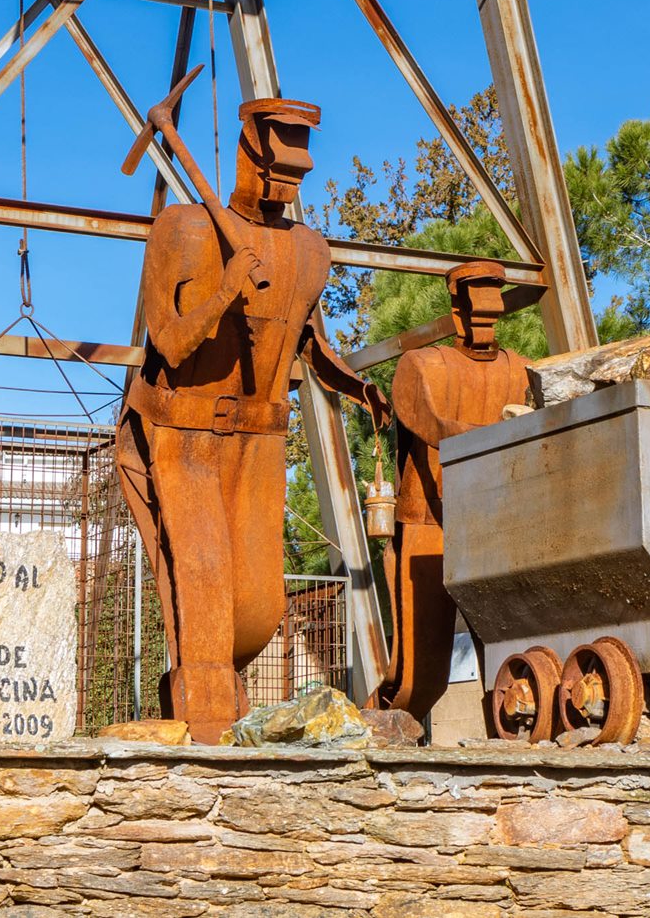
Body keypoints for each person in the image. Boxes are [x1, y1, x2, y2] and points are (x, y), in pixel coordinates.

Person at [114, 97, 387, 743]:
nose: (286, 189)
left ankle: (211, 702)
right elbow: (171, 343)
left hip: (261, 436)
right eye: (278, 170)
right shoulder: (180, 230)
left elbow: (312, 341)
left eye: (297, 177)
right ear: (249, 153)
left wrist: (357, 387)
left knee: (257, 614)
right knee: (206, 603)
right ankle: (204, 724)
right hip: (183, 433)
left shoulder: (307, 252)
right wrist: (224, 292)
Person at [373, 259, 532, 722]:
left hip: (498, 523)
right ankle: (390, 724)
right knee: (419, 674)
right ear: (457, 312)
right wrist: (504, 433)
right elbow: (430, 424)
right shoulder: (420, 365)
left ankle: (514, 726)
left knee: (511, 654)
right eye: (475, 311)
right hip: (428, 521)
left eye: (493, 312)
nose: (484, 322)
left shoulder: (523, 369)